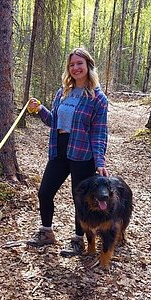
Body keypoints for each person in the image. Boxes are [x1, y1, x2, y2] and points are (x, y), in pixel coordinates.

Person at [27, 47, 108, 257]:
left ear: (88, 66)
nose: (75, 68)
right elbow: (55, 121)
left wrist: (100, 161)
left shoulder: (98, 98)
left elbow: (99, 132)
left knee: (80, 199)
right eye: (72, 64)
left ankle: (78, 240)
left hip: (83, 153)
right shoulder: (63, 92)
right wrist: (40, 109)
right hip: (59, 149)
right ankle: (47, 233)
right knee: (45, 192)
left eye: (79, 63)